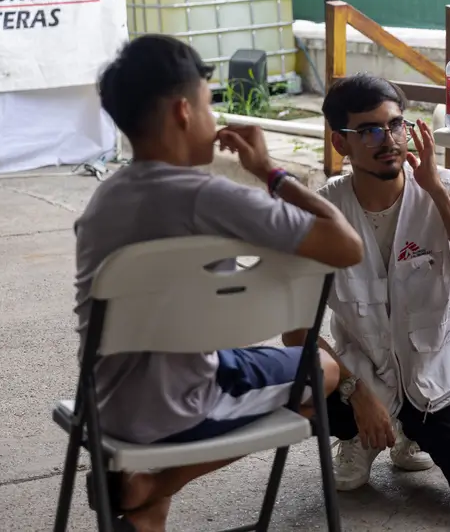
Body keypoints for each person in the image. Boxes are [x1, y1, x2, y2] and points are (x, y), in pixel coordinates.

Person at [74, 34, 364, 531]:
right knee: (323, 372)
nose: (214, 119)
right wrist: (268, 171)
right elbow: (346, 245)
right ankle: (157, 483)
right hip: (179, 408)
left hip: (102, 405)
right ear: (184, 112)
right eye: (210, 104)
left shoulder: (102, 202)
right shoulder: (211, 197)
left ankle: (146, 506)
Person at [282, 74, 450, 513]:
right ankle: (356, 433)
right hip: (359, 374)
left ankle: (411, 429)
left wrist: (433, 191)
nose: (388, 139)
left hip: (433, 373)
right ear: (341, 144)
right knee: (287, 383)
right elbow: (295, 332)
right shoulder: (321, 212)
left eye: (396, 125)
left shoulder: (443, 186)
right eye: (369, 130)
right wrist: (356, 393)